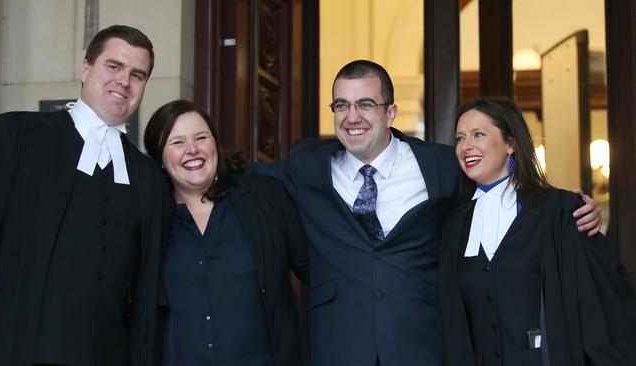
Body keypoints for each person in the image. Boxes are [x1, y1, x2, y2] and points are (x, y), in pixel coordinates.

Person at [253, 60, 602, 366]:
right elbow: (245, 182)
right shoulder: (307, 163)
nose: (351, 116)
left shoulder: (440, 165)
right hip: (337, 345)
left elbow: (500, 190)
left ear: (390, 112)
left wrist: (568, 206)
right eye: (341, 105)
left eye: (365, 104)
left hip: (423, 344)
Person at [0, 25, 170, 366]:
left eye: (137, 75)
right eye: (113, 66)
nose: (124, 81)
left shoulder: (150, 181)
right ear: (85, 68)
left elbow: (147, 297)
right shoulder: (14, 136)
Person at [438, 97, 636, 365]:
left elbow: (600, 304)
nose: (466, 146)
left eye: (479, 134)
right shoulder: (454, 228)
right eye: (460, 138)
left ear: (511, 144)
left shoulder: (560, 211)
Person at [143, 100, 309, 366]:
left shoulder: (264, 197)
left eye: (201, 138)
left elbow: (317, 271)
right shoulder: (149, 219)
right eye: (177, 143)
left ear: (215, 144)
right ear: (160, 159)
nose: (192, 150)